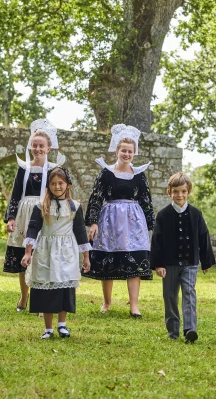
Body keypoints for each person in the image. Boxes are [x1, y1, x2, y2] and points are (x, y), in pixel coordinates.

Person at [83, 124, 154, 317]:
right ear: (117, 151)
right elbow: (96, 196)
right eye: (123, 150)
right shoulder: (106, 172)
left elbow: (146, 199)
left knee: (136, 260)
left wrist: (149, 224)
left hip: (133, 222)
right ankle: (107, 302)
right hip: (110, 219)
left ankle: (134, 306)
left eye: (130, 151)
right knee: (108, 260)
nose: (127, 154)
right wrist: (94, 222)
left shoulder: (139, 174)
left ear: (134, 153)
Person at [21, 167, 91, 338]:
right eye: (53, 183)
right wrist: (28, 252)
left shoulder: (74, 206)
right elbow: (33, 228)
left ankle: (62, 325)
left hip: (67, 250)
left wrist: (86, 257)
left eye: (60, 183)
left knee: (64, 285)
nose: (57, 186)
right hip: (46, 248)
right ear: (48, 185)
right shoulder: (41, 206)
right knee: (46, 285)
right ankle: (48, 328)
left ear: (67, 185)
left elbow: (81, 231)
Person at [150, 172, 216, 342]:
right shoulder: (163, 215)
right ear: (169, 192)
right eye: (176, 191)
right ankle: (173, 331)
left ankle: (189, 330)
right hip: (169, 264)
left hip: (190, 263)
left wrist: (206, 261)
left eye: (183, 191)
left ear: (188, 192)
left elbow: (203, 237)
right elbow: (157, 240)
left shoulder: (196, 214)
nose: (180, 195)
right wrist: (158, 264)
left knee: (189, 294)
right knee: (170, 296)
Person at [3, 119, 58, 311]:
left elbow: (59, 193)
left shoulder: (53, 170)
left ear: (48, 148)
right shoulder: (24, 168)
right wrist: (10, 218)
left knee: (42, 258)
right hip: (24, 215)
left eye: (41, 146)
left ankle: (41, 300)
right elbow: (15, 195)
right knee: (24, 258)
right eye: (34, 145)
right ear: (30, 147)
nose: (37, 149)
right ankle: (24, 296)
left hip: (45, 214)